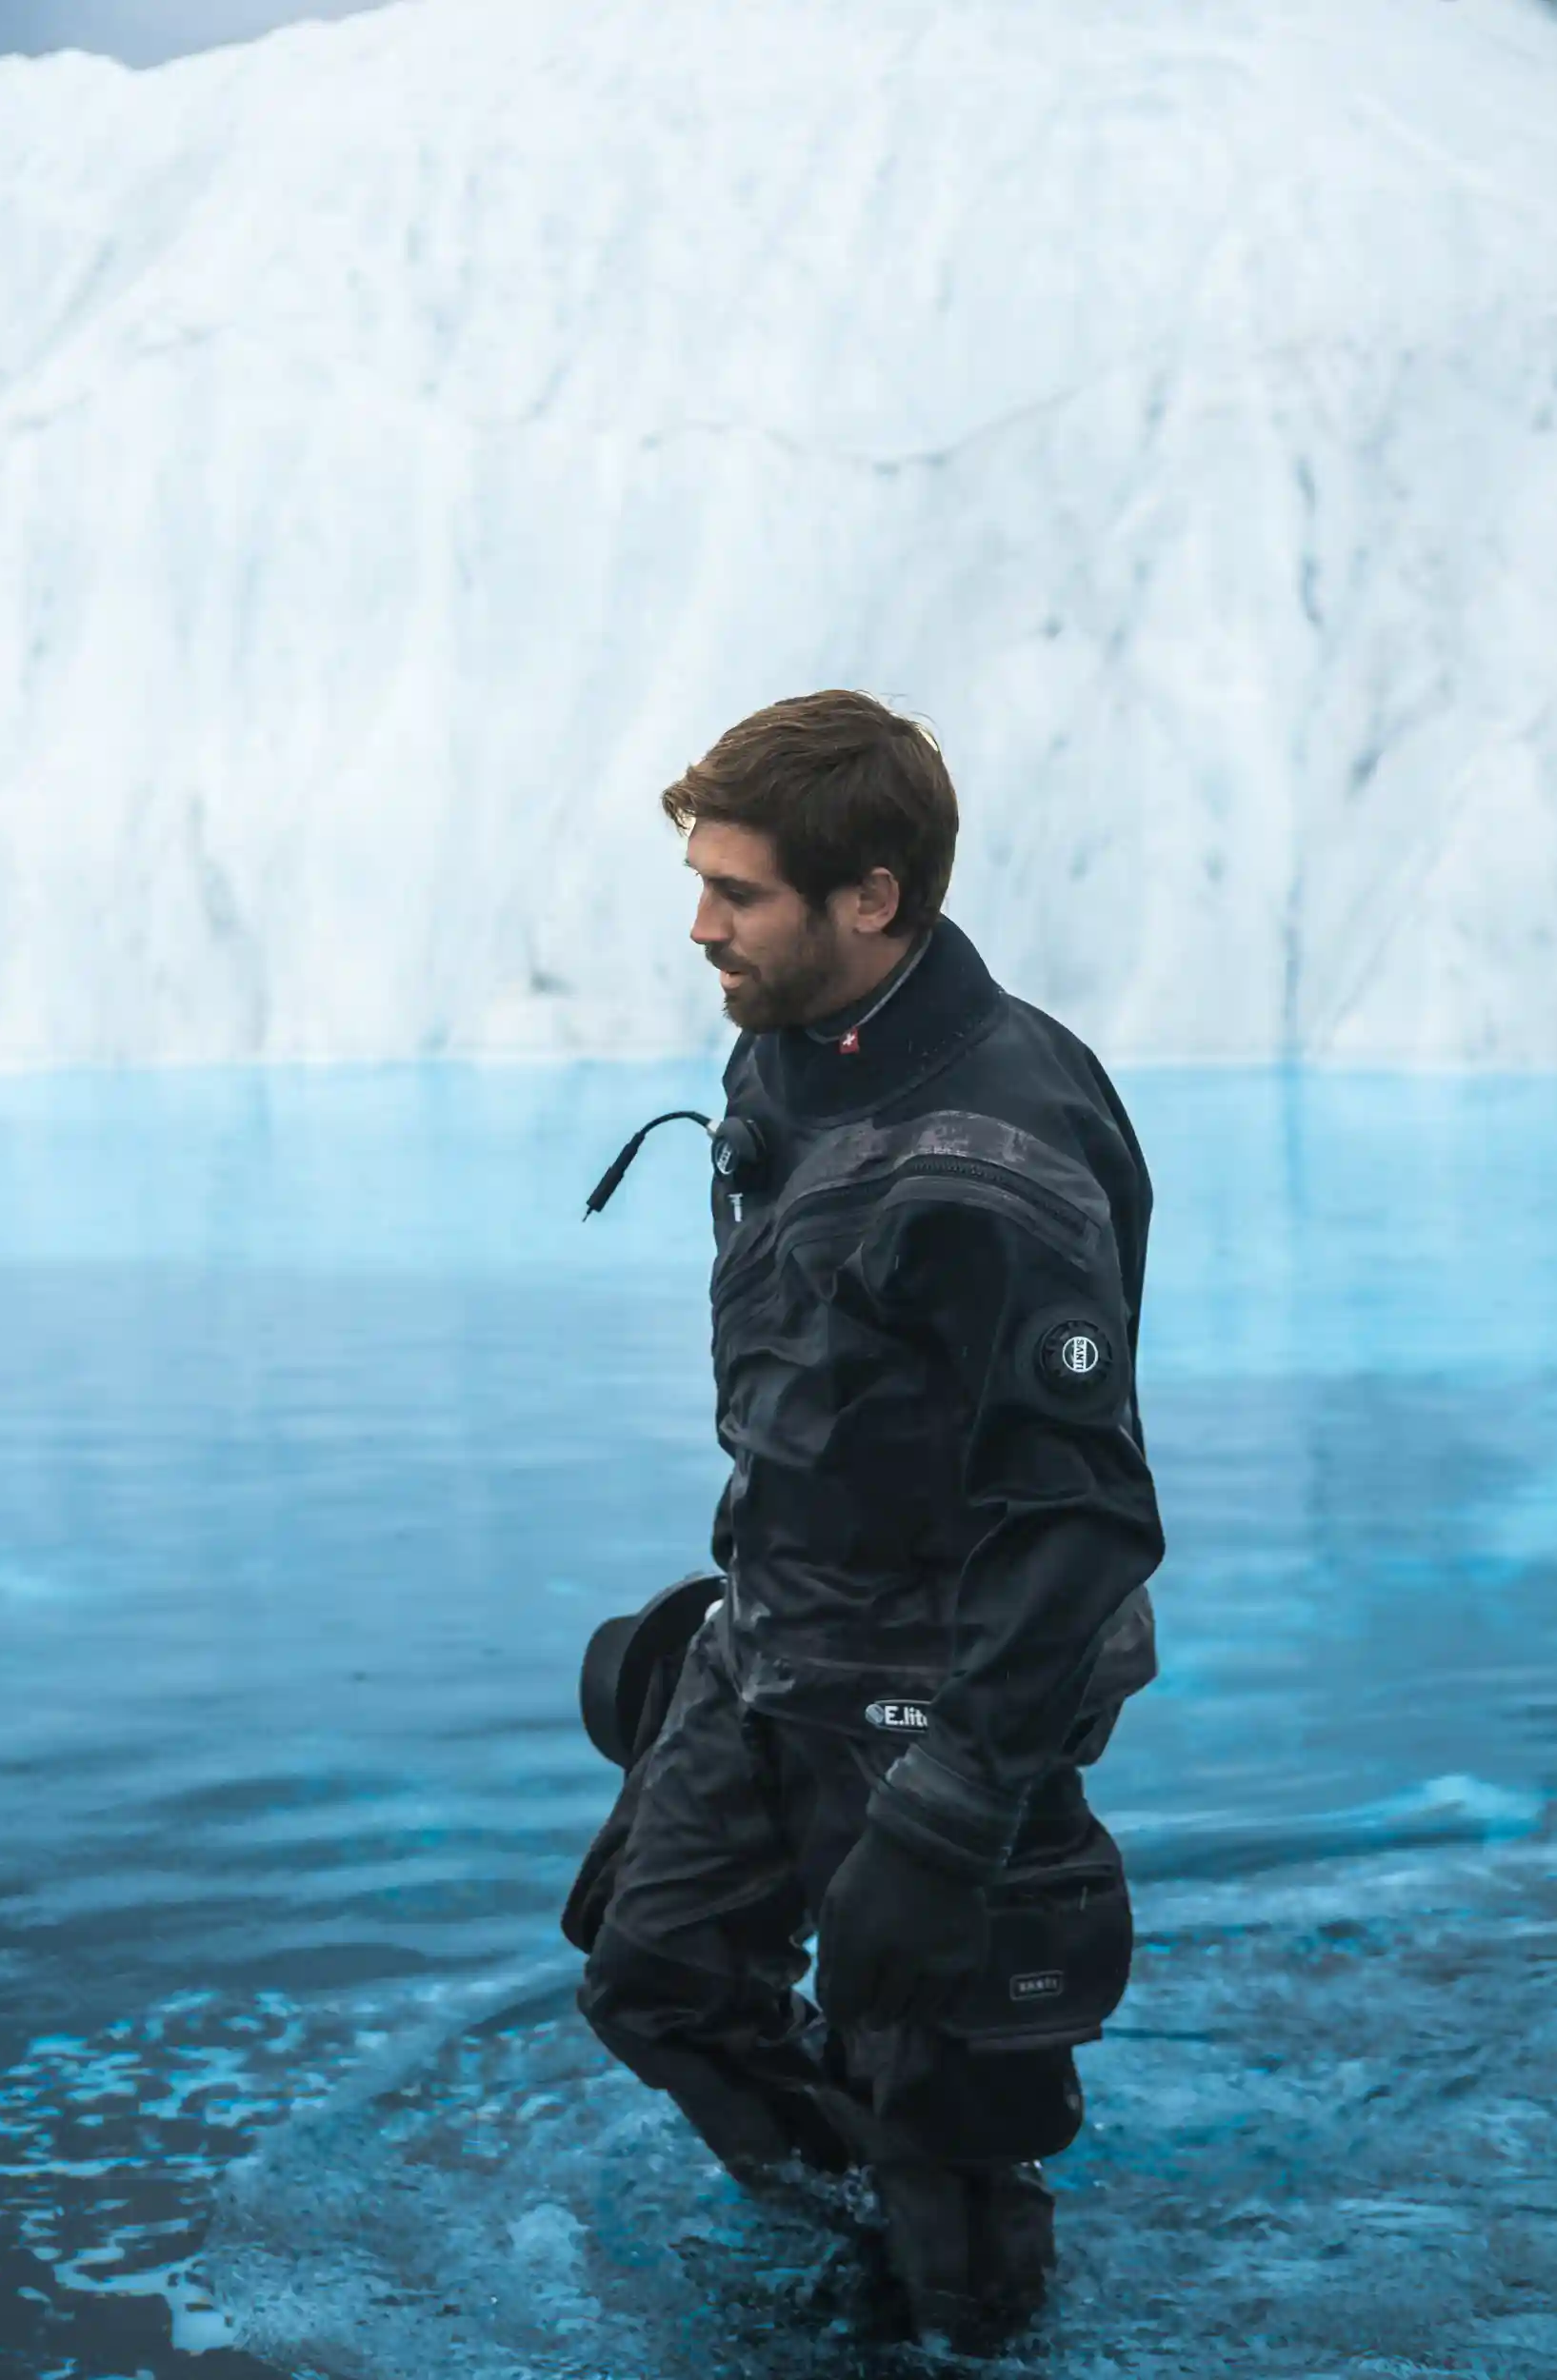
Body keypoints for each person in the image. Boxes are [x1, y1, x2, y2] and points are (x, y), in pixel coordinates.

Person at [563, 690, 1164, 2350]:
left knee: (945, 2117)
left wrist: (955, 1806)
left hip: (947, 1682)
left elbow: (1081, 1519)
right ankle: (853, 2253)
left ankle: (950, 2285)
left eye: (735, 893)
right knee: (656, 1979)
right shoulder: (796, 1036)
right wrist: (736, 1611)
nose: (700, 928)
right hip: (776, 1638)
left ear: (871, 897)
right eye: (699, 883)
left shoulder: (992, 1162)